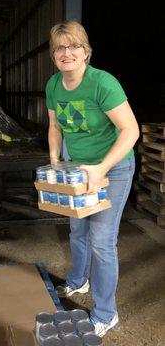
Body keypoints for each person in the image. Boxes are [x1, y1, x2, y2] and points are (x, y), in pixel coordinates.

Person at [46, 20, 139, 337]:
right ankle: (78, 281)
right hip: (78, 167)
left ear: (86, 52)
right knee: (77, 228)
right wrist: (56, 161)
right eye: (60, 47)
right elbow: (55, 126)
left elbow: (131, 131)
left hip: (113, 167)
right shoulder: (54, 86)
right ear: (54, 54)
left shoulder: (103, 83)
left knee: (102, 241)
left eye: (74, 46)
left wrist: (100, 169)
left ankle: (105, 313)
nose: (66, 52)